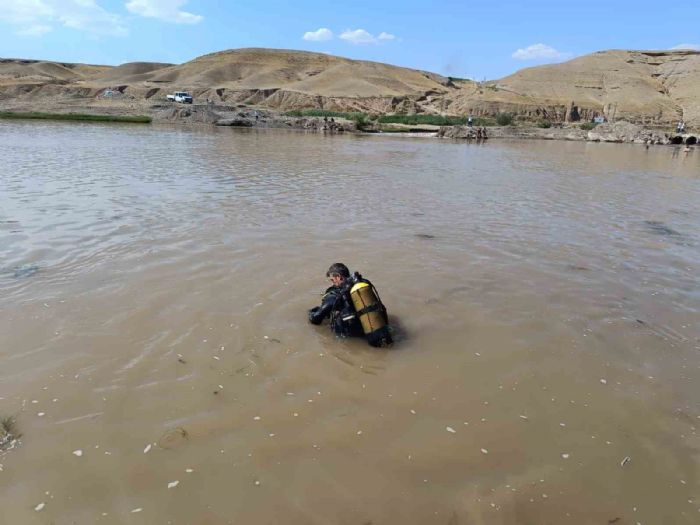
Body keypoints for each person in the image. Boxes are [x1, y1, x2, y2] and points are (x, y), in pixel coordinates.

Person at [308, 263, 392, 346]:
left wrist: (311, 312)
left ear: (338, 277)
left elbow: (316, 319)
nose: (333, 283)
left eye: (332, 280)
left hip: (351, 336)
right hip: (371, 327)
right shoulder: (362, 288)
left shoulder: (336, 295)